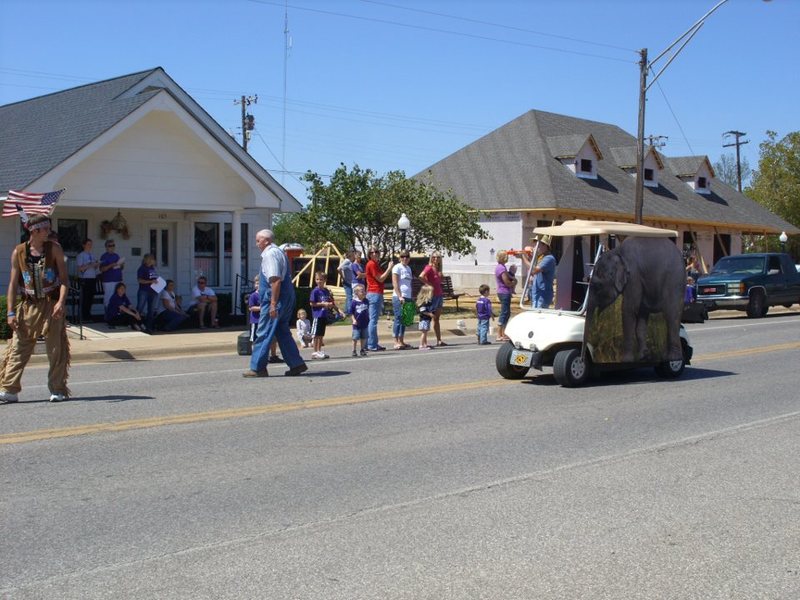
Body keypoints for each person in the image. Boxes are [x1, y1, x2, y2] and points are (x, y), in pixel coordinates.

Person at [1, 213, 71, 404]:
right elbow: (13, 284)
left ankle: (58, 389)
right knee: (18, 346)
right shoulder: (19, 252)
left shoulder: (54, 249)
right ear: (34, 231)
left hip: (51, 303)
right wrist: (10, 312)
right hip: (29, 304)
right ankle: (10, 389)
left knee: (55, 347)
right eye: (46, 229)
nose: (49, 231)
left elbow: (64, 280)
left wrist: (60, 302)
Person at [244, 228, 308, 377]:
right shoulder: (280, 252)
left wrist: (273, 304)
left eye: (258, 240)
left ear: (267, 241)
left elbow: (275, 280)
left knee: (264, 331)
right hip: (286, 297)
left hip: (275, 299)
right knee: (282, 331)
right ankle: (296, 364)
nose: (257, 243)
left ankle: (257, 368)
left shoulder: (270, 254)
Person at [364, 246, 393, 352]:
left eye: (377, 251)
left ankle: (371, 343)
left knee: (371, 320)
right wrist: (389, 268)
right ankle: (372, 344)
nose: (375, 253)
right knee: (373, 320)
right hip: (374, 293)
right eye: (372, 252)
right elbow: (380, 279)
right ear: (369, 254)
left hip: (373, 293)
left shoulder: (374, 264)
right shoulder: (371, 264)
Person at [309, 271, 342, 360]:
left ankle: (319, 350)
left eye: (321, 279)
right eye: (317, 279)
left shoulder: (326, 291)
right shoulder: (315, 291)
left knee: (321, 335)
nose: (319, 281)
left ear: (325, 280)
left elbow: (331, 302)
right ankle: (315, 351)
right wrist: (323, 304)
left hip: (324, 315)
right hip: (317, 315)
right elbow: (312, 304)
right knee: (316, 335)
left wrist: (338, 310)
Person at [248, 276, 282, 362]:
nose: (258, 285)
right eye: (256, 283)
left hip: (268, 320)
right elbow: (251, 308)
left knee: (272, 338)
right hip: (256, 321)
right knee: (255, 339)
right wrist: (262, 308)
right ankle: (255, 357)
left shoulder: (267, 294)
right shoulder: (253, 296)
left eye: (260, 283)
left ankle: (273, 355)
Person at [419, 251, 447, 346]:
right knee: (430, 317)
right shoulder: (429, 267)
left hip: (439, 295)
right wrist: (429, 284)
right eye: (434, 257)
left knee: (437, 318)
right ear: (431, 258)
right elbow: (421, 276)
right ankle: (424, 342)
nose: (436, 259)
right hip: (432, 296)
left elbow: (439, 280)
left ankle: (439, 340)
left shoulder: (438, 269)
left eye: (438, 257)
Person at [391, 250, 413, 349]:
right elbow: (395, 283)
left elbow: (409, 284)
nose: (405, 258)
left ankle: (401, 340)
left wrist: (411, 296)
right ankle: (395, 341)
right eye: (402, 256)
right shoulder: (397, 267)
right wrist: (400, 296)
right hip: (399, 296)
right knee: (398, 318)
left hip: (408, 296)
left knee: (405, 320)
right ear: (399, 258)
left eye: (407, 256)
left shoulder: (408, 268)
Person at [494, 250, 517, 342]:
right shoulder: (501, 268)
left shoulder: (501, 267)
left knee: (507, 313)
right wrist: (513, 282)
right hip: (504, 292)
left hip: (503, 292)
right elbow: (506, 282)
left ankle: (503, 333)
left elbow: (509, 277)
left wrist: (512, 275)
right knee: (504, 313)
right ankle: (499, 334)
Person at [76, 238, 99, 322]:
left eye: (91, 244)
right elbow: (80, 268)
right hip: (84, 279)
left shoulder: (92, 255)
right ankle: (82, 317)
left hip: (92, 278)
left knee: (90, 298)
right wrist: (90, 265)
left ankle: (88, 315)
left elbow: (94, 266)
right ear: (84, 245)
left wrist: (96, 265)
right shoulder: (81, 255)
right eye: (88, 244)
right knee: (84, 298)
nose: (90, 246)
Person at [530, 235, 556, 309]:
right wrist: (532, 257)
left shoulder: (548, 258)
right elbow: (532, 271)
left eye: (537, 245)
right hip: (537, 294)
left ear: (545, 245)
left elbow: (534, 270)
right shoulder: (540, 258)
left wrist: (523, 258)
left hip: (542, 295)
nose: (535, 248)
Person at [136, 254, 159, 333]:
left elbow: (154, 278)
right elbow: (140, 280)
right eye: (152, 259)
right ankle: (137, 324)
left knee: (151, 310)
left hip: (153, 291)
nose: (153, 260)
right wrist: (150, 281)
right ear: (148, 260)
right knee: (140, 308)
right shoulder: (142, 268)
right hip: (144, 291)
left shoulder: (153, 268)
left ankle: (149, 327)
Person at [98, 239, 124, 309]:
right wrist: (111, 265)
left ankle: (114, 316)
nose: (112, 247)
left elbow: (120, 267)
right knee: (108, 299)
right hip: (109, 281)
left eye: (113, 245)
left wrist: (121, 265)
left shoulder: (116, 255)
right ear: (106, 247)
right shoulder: (104, 256)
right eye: (110, 245)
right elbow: (101, 269)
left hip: (118, 280)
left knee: (118, 298)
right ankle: (107, 317)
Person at [350, 284, 369, 357]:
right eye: (362, 291)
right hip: (357, 324)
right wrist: (354, 320)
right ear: (356, 293)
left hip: (365, 323)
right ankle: (354, 350)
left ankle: (362, 349)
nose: (364, 292)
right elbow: (351, 313)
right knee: (355, 337)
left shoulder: (366, 301)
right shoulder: (354, 302)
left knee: (364, 337)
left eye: (364, 291)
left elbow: (367, 310)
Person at [416, 283, 435, 351]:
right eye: (431, 293)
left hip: (427, 320)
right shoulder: (424, 303)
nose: (432, 294)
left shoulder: (428, 302)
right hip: (424, 320)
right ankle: (421, 345)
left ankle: (425, 344)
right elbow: (423, 311)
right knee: (424, 333)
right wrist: (430, 314)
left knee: (425, 332)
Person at [338, 250, 355, 314]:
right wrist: (342, 277)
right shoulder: (347, 261)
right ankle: (350, 311)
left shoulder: (349, 262)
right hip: (347, 282)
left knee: (348, 296)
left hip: (349, 282)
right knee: (350, 296)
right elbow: (339, 268)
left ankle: (346, 310)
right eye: (353, 255)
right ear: (351, 256)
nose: (354, 257)